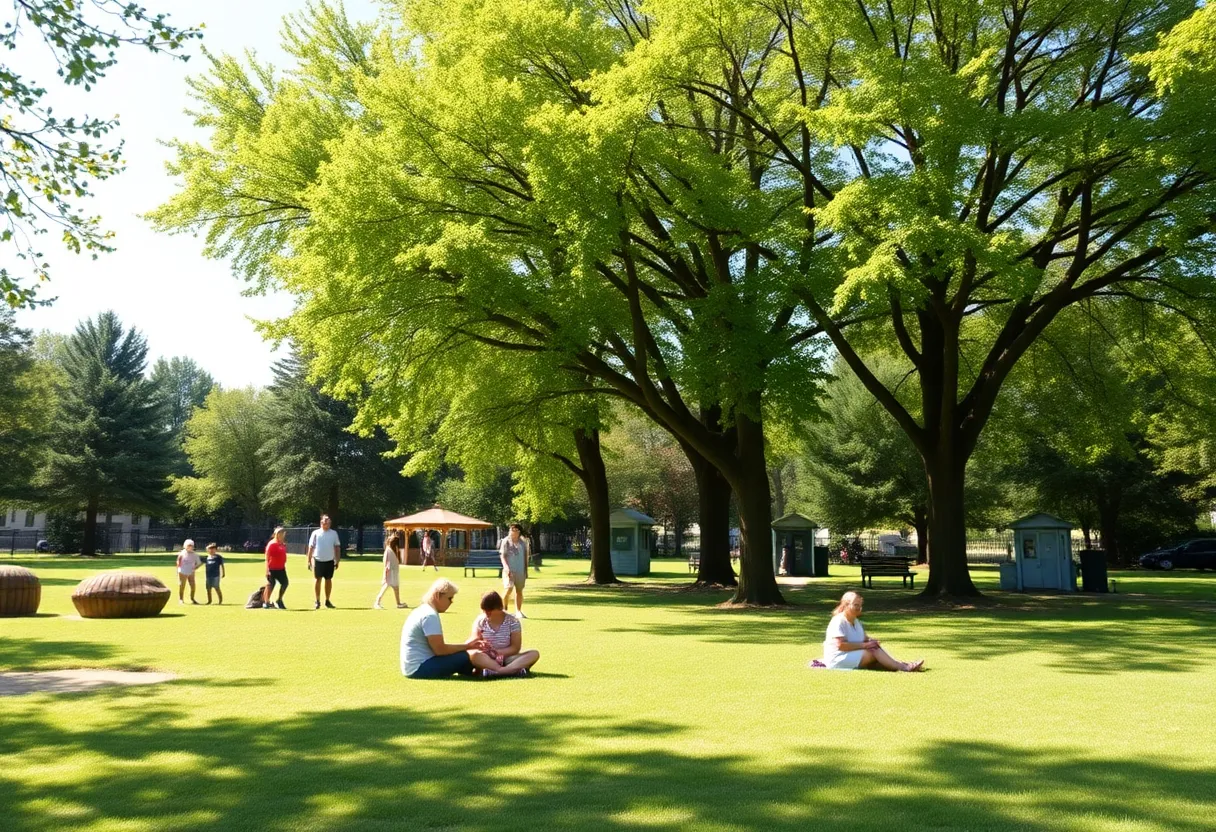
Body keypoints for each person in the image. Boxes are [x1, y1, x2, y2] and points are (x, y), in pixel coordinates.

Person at [399, 579, 503, 679]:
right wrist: (468, 646)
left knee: (464, 655)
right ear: (437, 595)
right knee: (469, 655)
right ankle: (496, 671)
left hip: (414, 667)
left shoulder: (422, 610)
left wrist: (466, 647)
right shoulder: (430, 615)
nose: (451, 602)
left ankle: (474, 672)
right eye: (449, 598)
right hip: (420, 668)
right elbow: (440, 650)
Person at [822, 591, 924, 671]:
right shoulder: (839, 621)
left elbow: (864, 639)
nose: (859, 608)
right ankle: (904, 667)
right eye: (856, 605)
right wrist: (865, 646)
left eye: (860, 605)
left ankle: (901, 665)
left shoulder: (856, 622)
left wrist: (871, 641)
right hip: (838, 659)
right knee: (872, 650)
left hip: (852, 654)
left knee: (874, 648)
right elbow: (840, 645)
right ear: (845, 605)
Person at [469, 591, 539, 678]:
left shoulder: (512, 621)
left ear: (499, 608)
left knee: (534, 654)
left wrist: (497, 653)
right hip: (487, 658)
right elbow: (473, 640)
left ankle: (497, 672)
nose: (487, 614)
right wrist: (481, 646)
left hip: (508, 658)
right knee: (474, 655)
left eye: (490, 611)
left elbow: (515, 647)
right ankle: (511, 671)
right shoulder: (480, 621)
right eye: (484, 611)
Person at [307, 514, 341, 609]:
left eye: (329, 521)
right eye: (326, 521)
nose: (328, 522)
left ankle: (327, 600)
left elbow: (337, 547)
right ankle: (317, 600)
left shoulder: (333, 533)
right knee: (318, 579)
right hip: (318, 560)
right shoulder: (316, 533)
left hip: (329, 560)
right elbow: (311, 547)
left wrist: (337, 560)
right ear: (321, 522)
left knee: (328, 580)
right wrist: (309, 560)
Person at [498, 523, 529, 618]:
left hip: (520, 570)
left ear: (519, 532)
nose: (514, 532)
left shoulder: (523, 543)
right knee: (509, 588)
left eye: (516, 530)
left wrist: (526, 570)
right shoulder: (506, 541)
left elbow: (525, 557)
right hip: (509, 570)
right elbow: (502, 556)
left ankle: (518, 611)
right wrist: (506, 567)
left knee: (519, 590)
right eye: (512, 530)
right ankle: (503, 609)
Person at [375, 530, 408, 610]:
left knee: (396, 588)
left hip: (394, 573)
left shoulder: (393, 550)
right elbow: (386, 564)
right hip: (390, 573)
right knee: (385, 587)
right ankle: (377, 602)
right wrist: (386, 575)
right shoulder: (388, 551)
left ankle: (398, 603)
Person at [263, 526, 290, 609]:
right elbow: (267, 558)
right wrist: (267, 570)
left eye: (282, 533)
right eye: (279, 533)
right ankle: (266, 602)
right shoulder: (272, 544)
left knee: (285, 583)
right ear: (276, 534)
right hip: (272, 568)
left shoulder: (283, 544)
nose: (281, 534)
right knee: (271, 584)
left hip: (281, 568)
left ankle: (279, 600)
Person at [176, 539, 200, 604]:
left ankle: (192, 598)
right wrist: (178, 567)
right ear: (185, 546)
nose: (190, 547)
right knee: (182, 585)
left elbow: (198, 563)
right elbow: (178, 561)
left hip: (191, 572)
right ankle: (181, 599)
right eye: (189, 545)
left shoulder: (195, 554)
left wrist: (194, 568)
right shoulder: (182, 553)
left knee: (193, 586)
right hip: (183, 571)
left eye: (191, 546)